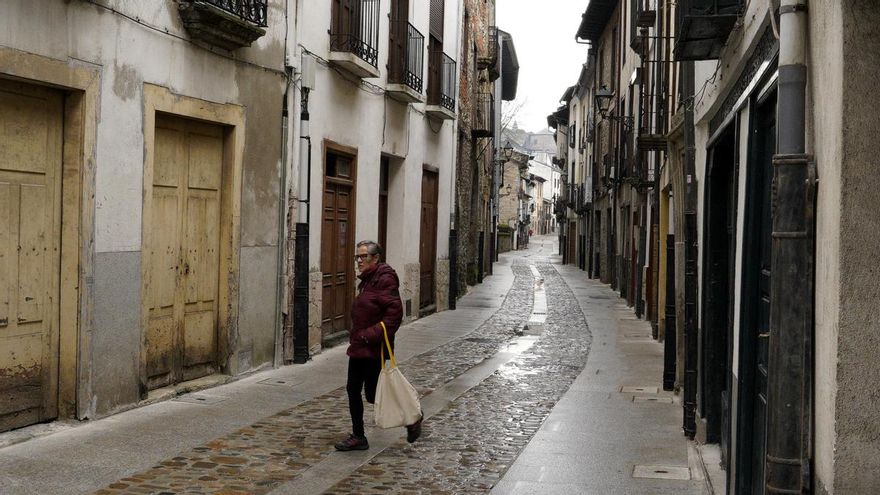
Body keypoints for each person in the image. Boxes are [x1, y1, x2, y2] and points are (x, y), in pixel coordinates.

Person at [334, 240, 422, 451]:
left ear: (375, 258)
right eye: (357, 256)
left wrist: (369, 336)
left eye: (363, 257)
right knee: (353, 389)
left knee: (374, 394)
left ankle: (412, 417)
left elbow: (394, 315)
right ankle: (358, 436)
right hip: (359, 347)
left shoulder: (385, 279)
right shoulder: (368, 279)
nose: (358, 261)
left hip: (374, 348)